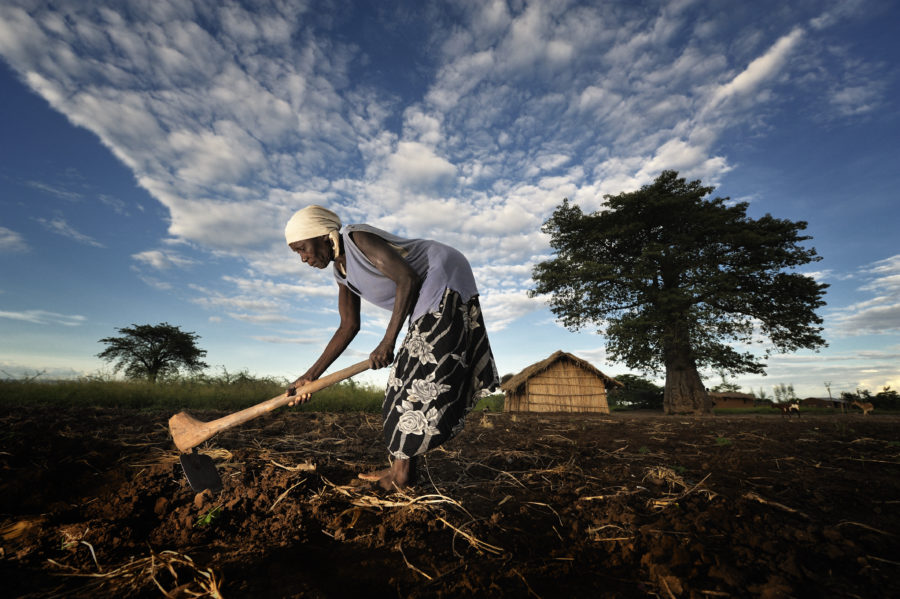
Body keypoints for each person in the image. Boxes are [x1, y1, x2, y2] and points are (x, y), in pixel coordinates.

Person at [283, 205, 500, 490]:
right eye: (297, 253)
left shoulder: (357, 238)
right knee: (403, 384)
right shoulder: (341, 272)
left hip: (443, 274)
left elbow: (407, 279)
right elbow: (348, 326)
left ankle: (400, 476)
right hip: (427, 294)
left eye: (302, 248)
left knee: (408, 383)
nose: (303, 258)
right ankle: (402, 471)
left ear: (323, 235)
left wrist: (388, 341)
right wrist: (310, 376)